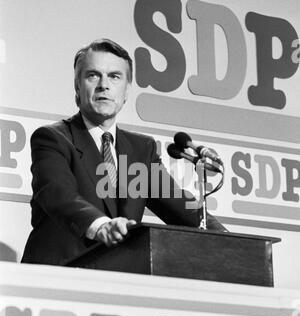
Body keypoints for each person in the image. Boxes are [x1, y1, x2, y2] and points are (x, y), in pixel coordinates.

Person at [22, 39, 225, 266]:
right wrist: (101, 226)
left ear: (126, 90)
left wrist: (233, 243)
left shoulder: (140, 150)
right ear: (77, 86)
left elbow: (182, 207)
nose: (104, 85)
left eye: (114, 76)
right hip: (54, 279)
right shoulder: (53, 138)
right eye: (93, 75)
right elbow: (59, 195)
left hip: (116, 283)